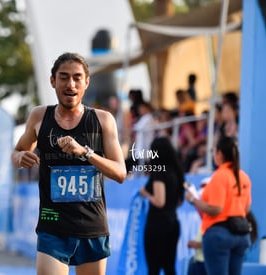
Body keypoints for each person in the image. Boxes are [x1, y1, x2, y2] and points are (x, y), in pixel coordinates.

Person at [11, 52, 127, 275]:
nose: (70, 84)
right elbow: (17, 151)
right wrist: (19, 158)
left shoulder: (103, 120)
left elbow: (120, 173)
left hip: (91, 227)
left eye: (77, 77)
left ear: (86, 82)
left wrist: (85, 152)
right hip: (52, 225)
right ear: (53, 81)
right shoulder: (39, 117)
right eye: (63, 77)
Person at [185, 136, 252, 275]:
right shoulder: (243, 176)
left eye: (213, 151)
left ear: (220, 154)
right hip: (241, 235)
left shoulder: (220, 176)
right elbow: (246, 209)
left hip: (219, 235)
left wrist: (193, 200)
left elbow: (216, 209)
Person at [139, 136, 185, 275]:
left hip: (157, 225)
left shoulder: (159, 172)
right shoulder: (177, 173)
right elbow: (179, 201)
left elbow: (160, 201)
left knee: (154, 268)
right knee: (169, 267)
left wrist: (145, 192)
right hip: (173, 223)